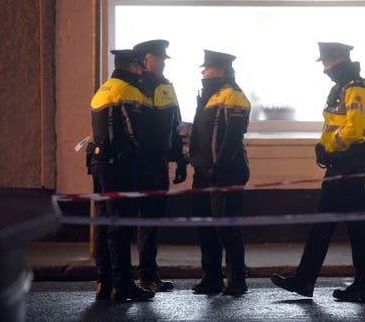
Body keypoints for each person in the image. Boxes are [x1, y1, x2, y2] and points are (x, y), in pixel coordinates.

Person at [271, 42, 365, 303]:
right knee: (328, 226)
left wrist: (329, 147)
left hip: (348, 163)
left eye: (327, 63)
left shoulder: (357, 90)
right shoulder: (342, 88)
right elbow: (334, 124)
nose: (326, 70)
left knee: (355, 228)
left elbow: (352, 130)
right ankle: (306, 280)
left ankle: (360, 285)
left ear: (339, 59)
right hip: (340, 164)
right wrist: (324, 147)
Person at [85, 49, 155, 301]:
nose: (141, 71)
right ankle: (123, 284)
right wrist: (145, 158)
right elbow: (134, 132)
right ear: (133, 66)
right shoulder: (128, 91)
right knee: (120, 225)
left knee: (104, 224)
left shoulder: (103, 89)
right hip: (120, 166)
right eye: (139, 66)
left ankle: (104, 283)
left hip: (99, 162)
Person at [189, 50, 251, 296]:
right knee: (206, 227)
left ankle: (237, 279)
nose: (203, 72)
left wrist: (218, 168)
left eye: (207, 68)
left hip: (225, 173)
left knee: (227, 228)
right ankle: (211, 277)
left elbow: (233, 139)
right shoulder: (210, 96)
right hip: (204, 172)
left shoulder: (234, 96)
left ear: (221, 71)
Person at [132, 39, 188, 292]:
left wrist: (181, 161)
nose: (164, 62)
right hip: (133, 164)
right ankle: (119, 278)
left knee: (151, 222)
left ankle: (147, 276)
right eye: (159, 58)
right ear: (145, 59)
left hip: (157, 165)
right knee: (126, 223)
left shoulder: (167, 87)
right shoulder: (132, 85)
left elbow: (175, 127)